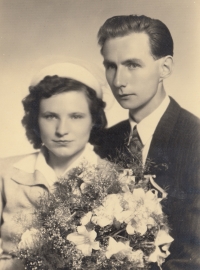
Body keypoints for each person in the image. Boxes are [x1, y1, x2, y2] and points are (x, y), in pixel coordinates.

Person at [96, 15, 200, 270]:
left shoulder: (194, 140)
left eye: (132, 65)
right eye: (111, 66)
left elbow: (194, 255)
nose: (119, 81)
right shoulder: (105, 141)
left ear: (164, 68)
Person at [0, 62, 107, 270]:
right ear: (35, 120)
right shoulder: (5, 173)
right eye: (50, 116)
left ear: (93, 120)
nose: (62, 130)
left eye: (76, 116)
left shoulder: (114, 179)